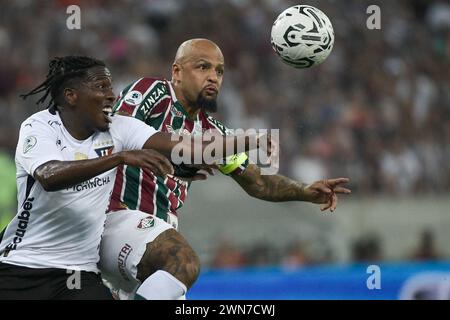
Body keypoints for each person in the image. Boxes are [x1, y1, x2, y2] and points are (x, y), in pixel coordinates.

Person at [99, 39, 351, 300]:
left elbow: (260, 183)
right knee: (184, 263)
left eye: (219, 71)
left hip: (154, 238)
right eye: (202, 67)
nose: (213, 77)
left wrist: (305, 191)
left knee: (175, 277)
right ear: (177, 72)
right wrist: (179, 159)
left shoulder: (215, 134)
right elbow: (113, 135)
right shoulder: (154, 92)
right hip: (118, 216)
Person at [0, 55, 258, 300]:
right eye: (101, 87)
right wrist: (119, 158)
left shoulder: (118, 127)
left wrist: (253, 139)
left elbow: (191, 147)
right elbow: (49, 176)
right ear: (71, 95)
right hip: (23, 266)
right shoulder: (39, 126)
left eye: (111, 87)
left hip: (79, 272)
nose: (111, 95)